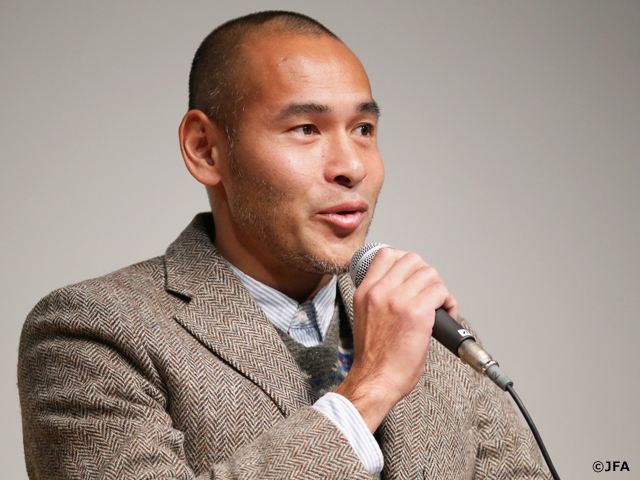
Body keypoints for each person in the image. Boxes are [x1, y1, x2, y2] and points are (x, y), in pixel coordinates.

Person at [18, 11, 551, 480]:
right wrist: (370, 389)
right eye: (306, 128)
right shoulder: (91, 332)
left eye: (364, 129)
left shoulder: (422, 325)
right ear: (205, 149)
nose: (352, 166)